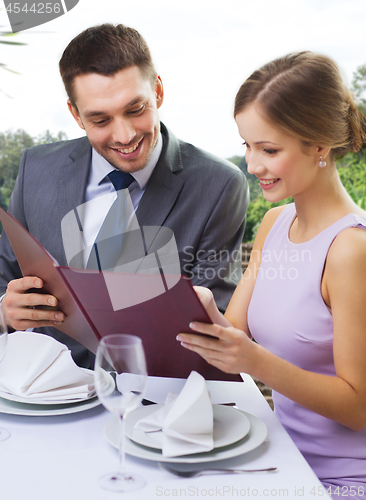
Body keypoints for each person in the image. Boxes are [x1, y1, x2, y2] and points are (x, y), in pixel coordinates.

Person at [0, 24, 248, 369]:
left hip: (156, 400)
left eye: (135, 110)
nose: (125, 135)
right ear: (75, 115)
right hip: (42, 393)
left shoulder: (219, 185)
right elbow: (5, 274)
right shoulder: (35, 167)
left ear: (158, 91)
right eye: (100, 119)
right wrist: (5, 310)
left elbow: (217, 320)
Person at [177, 52, 366, 499]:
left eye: (269, 149)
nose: (251, 165)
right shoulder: (274, 224)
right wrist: (196, 310)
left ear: (319, 145)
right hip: (274, 456)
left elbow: (358, 407)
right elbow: (234, 334)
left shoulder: (351, 251)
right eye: (246, 144)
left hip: (339, 480)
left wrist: (255, 362)